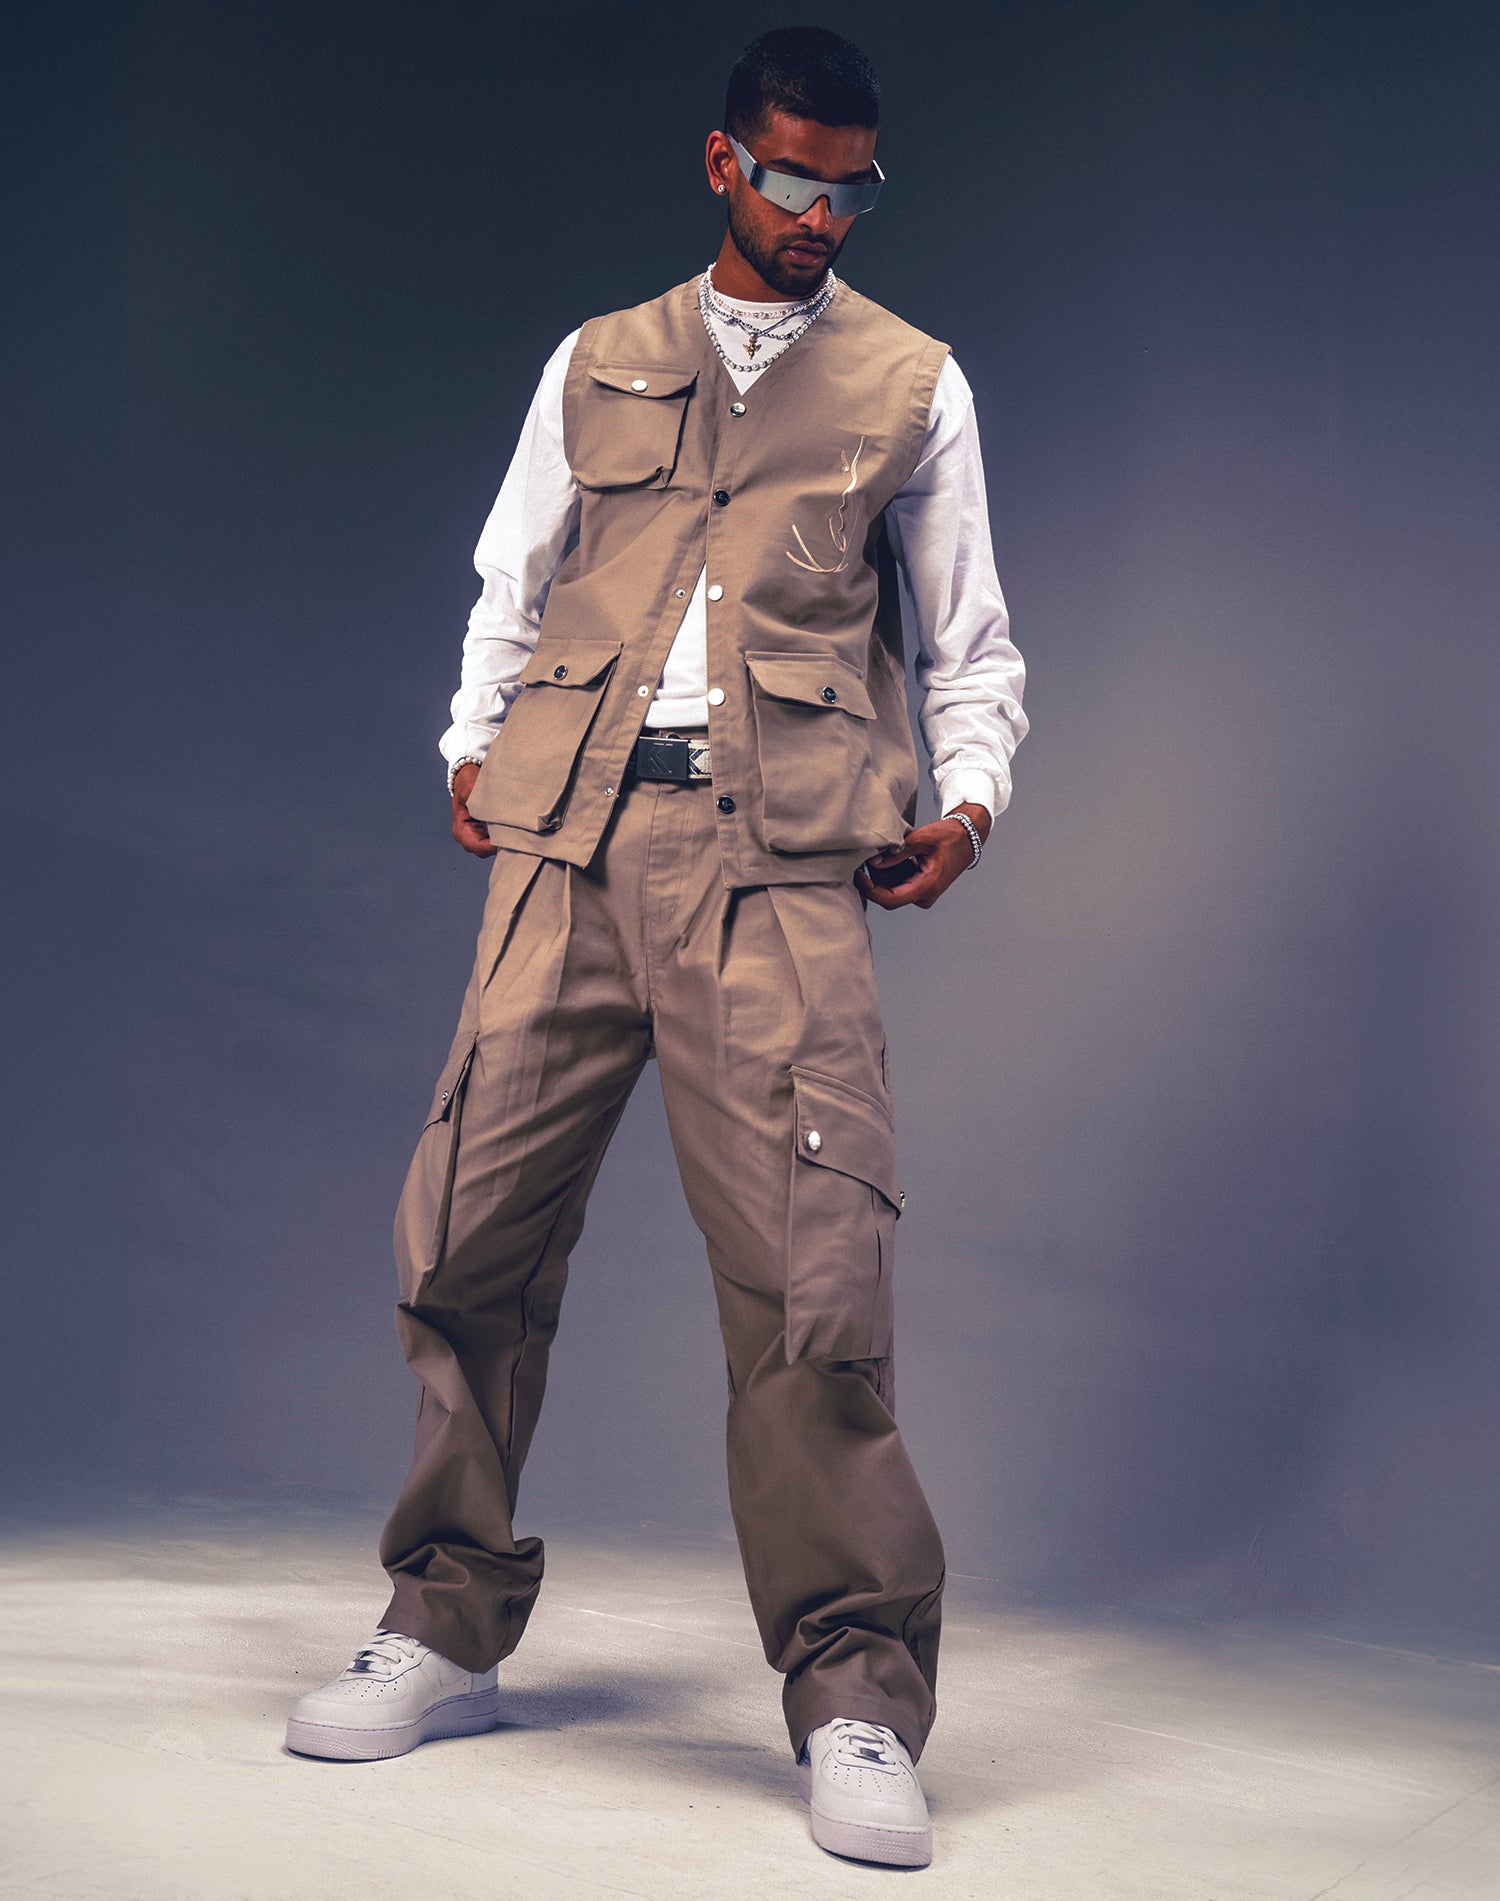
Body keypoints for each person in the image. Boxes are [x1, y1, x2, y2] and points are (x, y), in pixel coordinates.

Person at [284, 25, 1026, 1870]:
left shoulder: (914, 382)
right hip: (569, 841)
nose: (819, 214)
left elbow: (971, 642)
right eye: (789, 177)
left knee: (810, 1279)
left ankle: (855, 1695)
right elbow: (512, 575)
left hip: (779, 865)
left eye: (851, 186)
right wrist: (469, 741)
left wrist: (972, 798)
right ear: (721, 163)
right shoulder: (594, 355)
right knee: (466, 1230)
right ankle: (442, 1615)